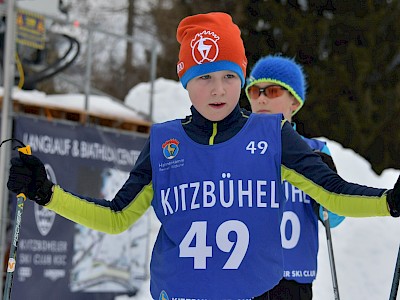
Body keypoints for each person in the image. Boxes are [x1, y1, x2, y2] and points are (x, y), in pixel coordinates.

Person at [6, 12, 400, 300]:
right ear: (186, 82)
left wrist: (389, 203)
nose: (218, 90)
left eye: (230, 76)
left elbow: (333, 193)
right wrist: (47, 193)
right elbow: (115, 217)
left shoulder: (271, 135)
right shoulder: (165, 142)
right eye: (205, 77)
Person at [245, 55, 344, 299]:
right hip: (246, 276)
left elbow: (335, 218)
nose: (262, 98)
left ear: (294, 103)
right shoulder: (237, 148)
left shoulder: (314, 151)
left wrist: (328, 188)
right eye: (254, 91)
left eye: (273, 90)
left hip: (294, 280)